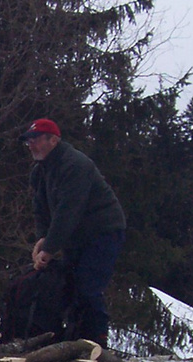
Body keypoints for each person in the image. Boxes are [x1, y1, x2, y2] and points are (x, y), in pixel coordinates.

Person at [20, 117, 127, 347]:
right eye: (28, 141)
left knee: (88, 288)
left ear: (53, 140)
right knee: (68, 288)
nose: (31, 145)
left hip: (102, 232)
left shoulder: (75, 165)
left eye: (36, 140)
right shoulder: (40, 171)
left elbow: (68, 212)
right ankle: (74, 341)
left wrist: (48, 250)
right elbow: (41, 209)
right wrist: (41, 240)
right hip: (75, 237)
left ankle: (96, 344)